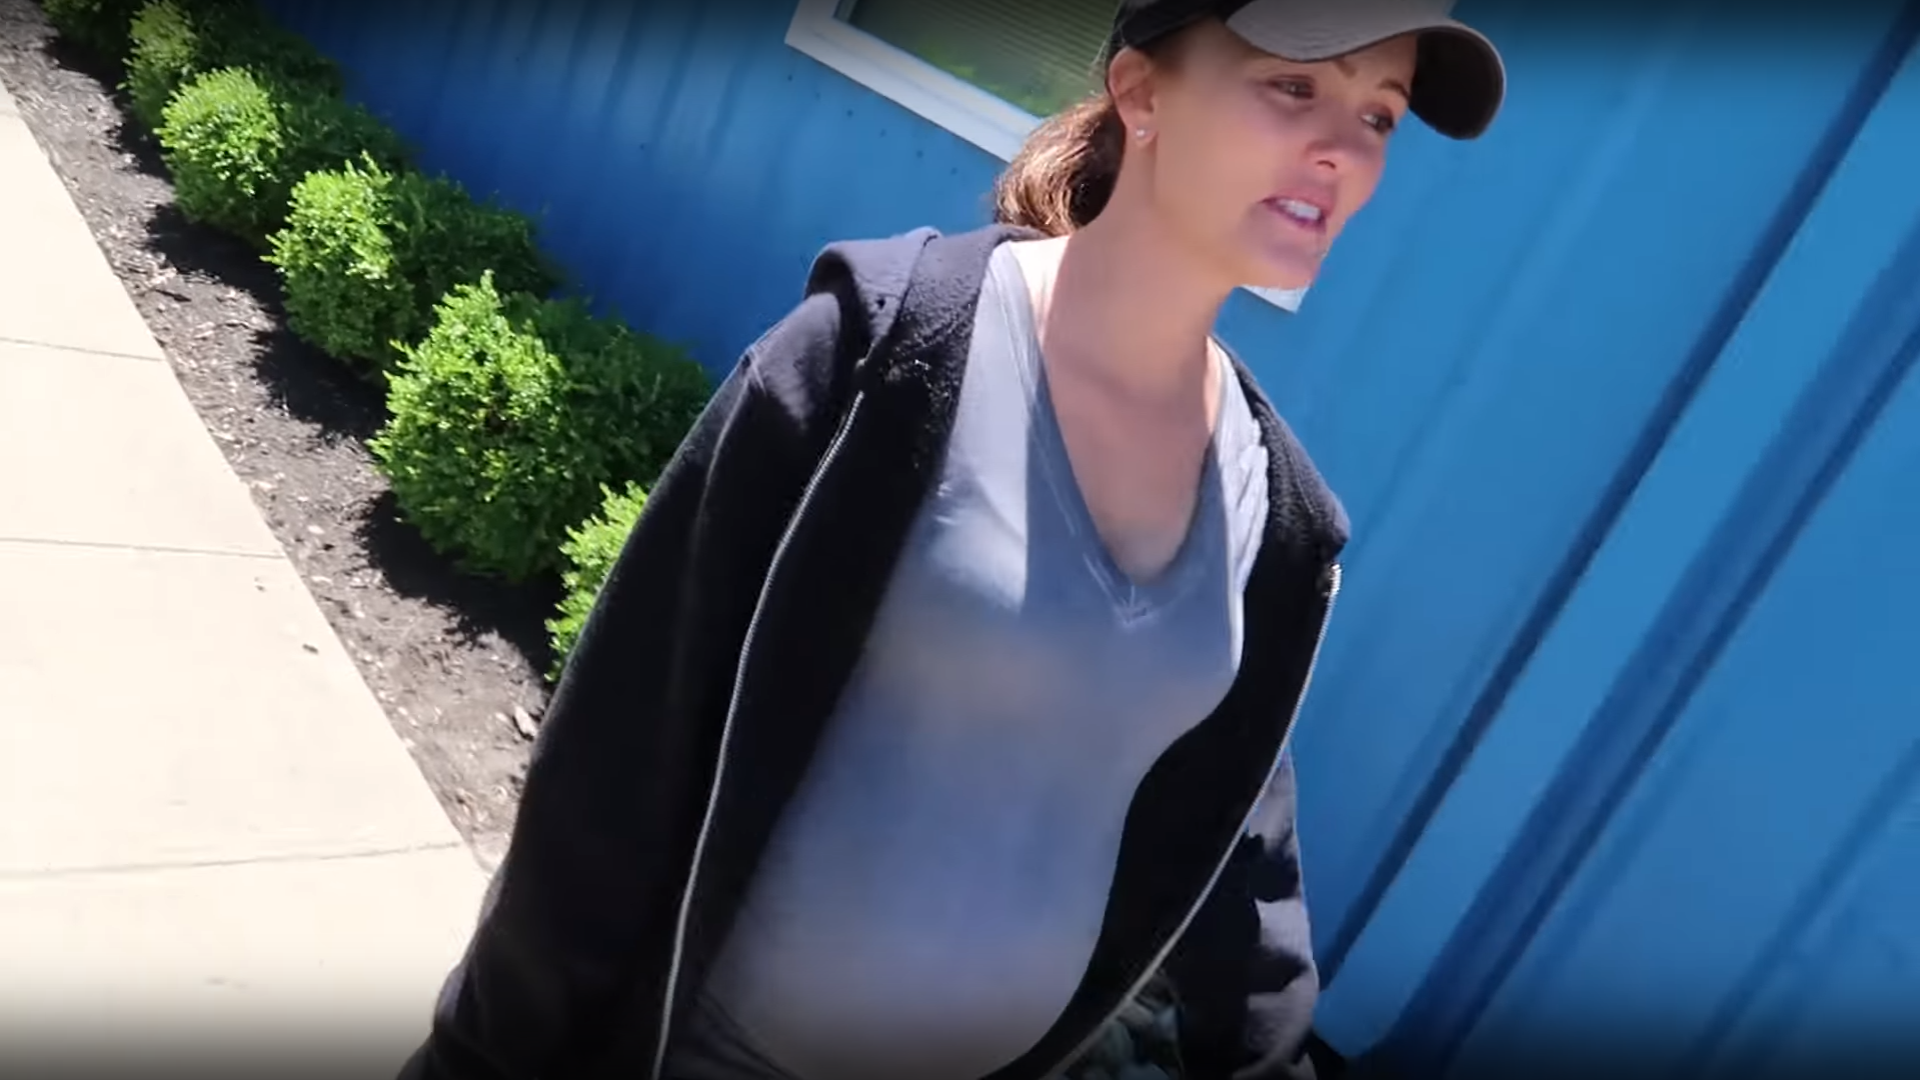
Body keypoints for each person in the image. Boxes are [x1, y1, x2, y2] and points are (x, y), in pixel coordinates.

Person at [397, 1, 1504, 1078]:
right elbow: (619, 745)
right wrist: (482, 1051)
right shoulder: (882, 357)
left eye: (1378, 114)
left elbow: (1242, 835)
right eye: (1293, 86)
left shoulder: (1276, 509)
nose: (1341, 150)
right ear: (1140, 92)